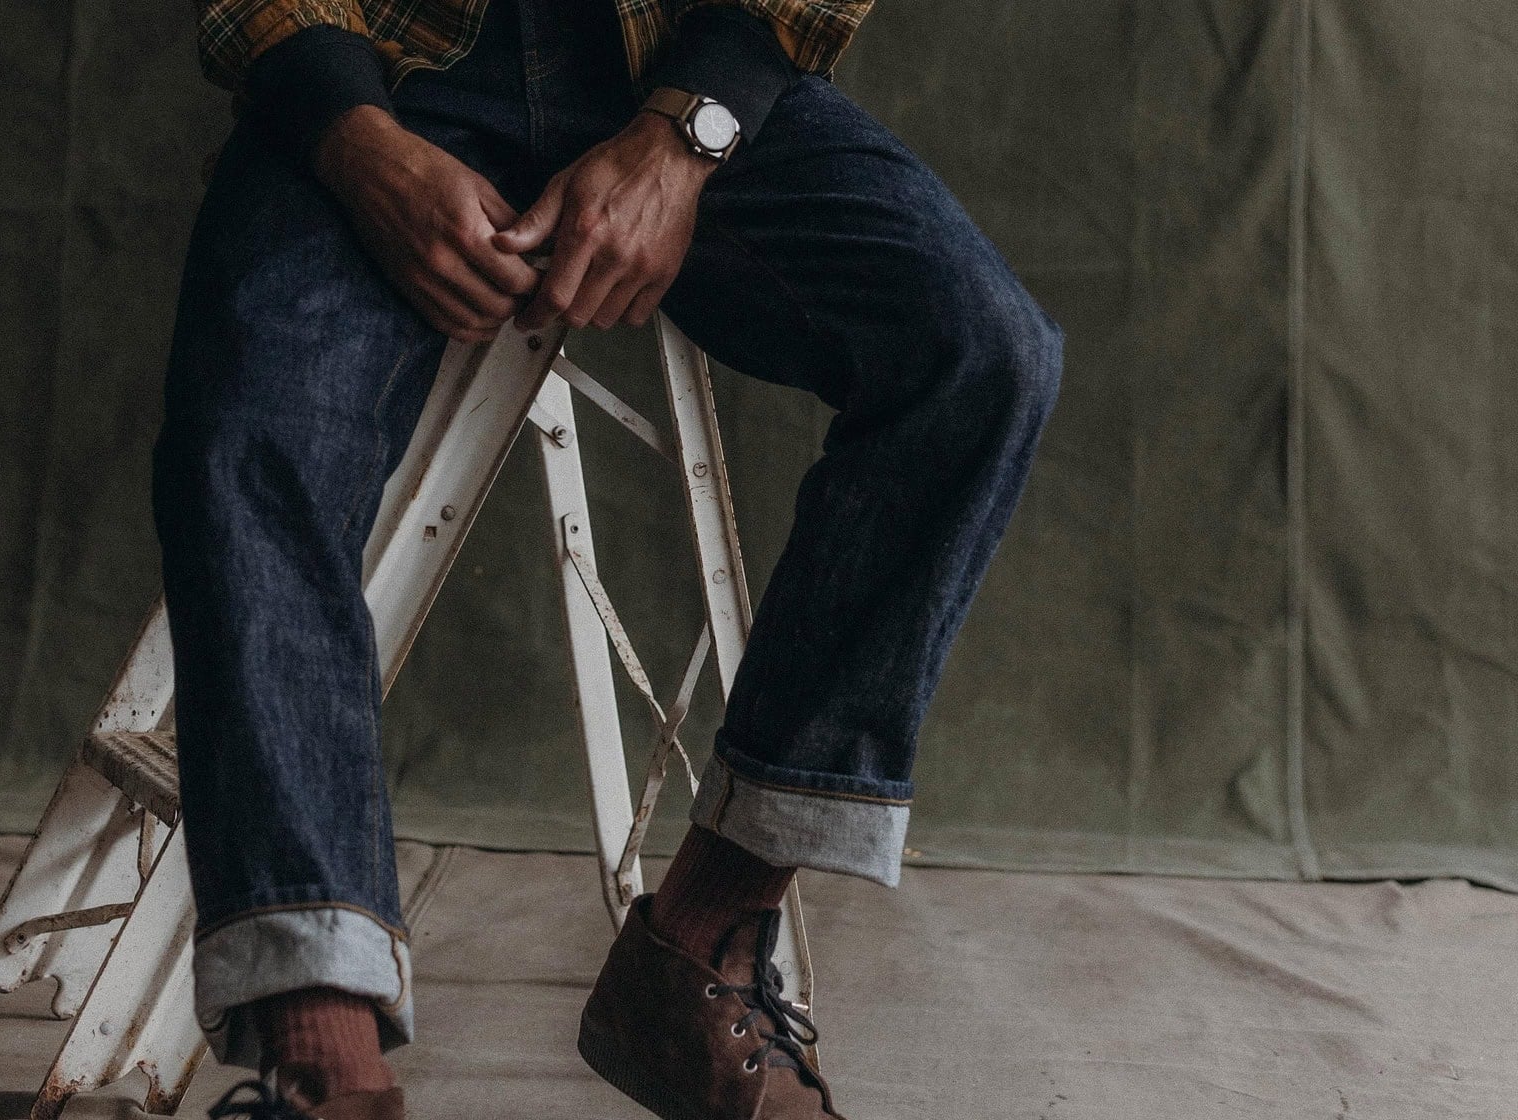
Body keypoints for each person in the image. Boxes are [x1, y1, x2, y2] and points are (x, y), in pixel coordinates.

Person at [153, 0, 1062, 1115]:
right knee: (252, 435)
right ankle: (324, 1061)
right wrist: (353, 138)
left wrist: (686, 134)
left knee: (982, 353)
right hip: (381, 73)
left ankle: (703, 935)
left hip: (665, 66)